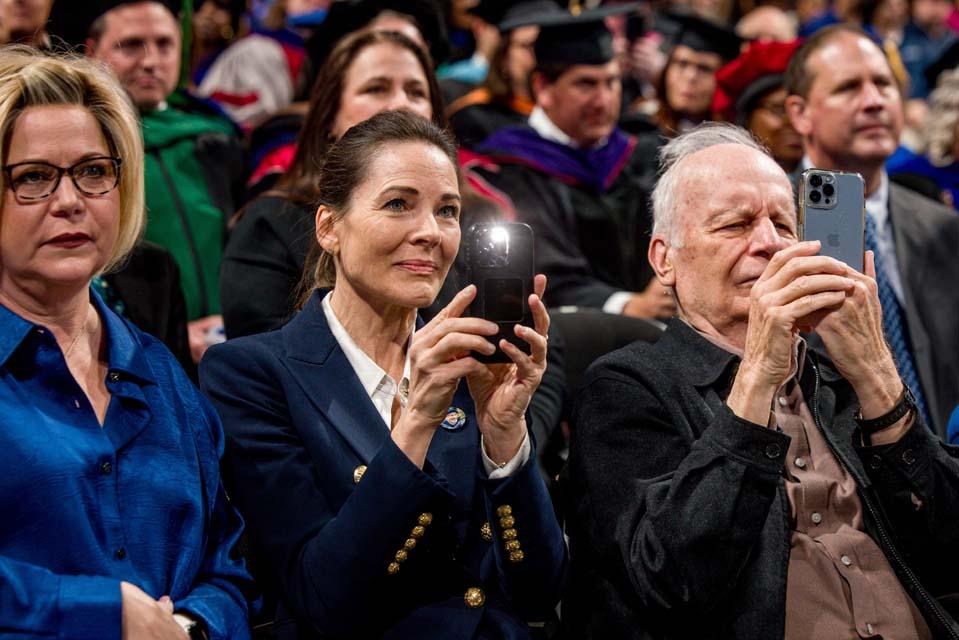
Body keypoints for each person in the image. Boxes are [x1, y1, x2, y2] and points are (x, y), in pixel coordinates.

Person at [565, 123, 959, 640]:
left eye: (784, 224)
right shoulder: (626, 386)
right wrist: (758, 375)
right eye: (735, 225)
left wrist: (876, 372)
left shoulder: (843, 380)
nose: (770, 244)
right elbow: (669, 582)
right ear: (664, 260)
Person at [201, 110, 567, 638]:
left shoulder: (473, 364)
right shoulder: (250, 374)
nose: (430, 233)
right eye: (398, 204)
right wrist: (417, 421)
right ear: (329, 228)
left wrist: (504, 435)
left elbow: (540, 592)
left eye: (447, 211)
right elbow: (323, 600)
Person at [0, 46, 254, 639]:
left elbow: (230, 567)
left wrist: (190, 625)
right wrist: (103, 613)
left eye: (94, 171)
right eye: (33, 177)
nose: (70, 201)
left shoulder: (163, 375)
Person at [784, 24, 959, 438]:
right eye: (848, 87)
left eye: (884, 84)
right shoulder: (769, 228)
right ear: (800, 113)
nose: (874, 101)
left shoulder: (944, 226)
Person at [49, 0, 246, 362]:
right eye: (132, 45)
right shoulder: (76, 147)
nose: (151, 61)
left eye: (164, 44)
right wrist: (173, 329)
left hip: (225, 344)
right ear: (91, 52)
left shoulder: (215, 137)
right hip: (129, 343)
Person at [220, 28, 442, 339]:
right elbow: (260, 359)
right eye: (376, 88)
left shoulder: (471, 222)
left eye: (416, 92)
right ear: (329, 118)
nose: (400, 104)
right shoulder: (270, 224)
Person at [477, 7, 674, 318]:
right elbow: (544, 272)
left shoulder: (641, 151)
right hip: (570, 334)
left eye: (611, 82)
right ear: (543, 88)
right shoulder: (511, 168)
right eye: (586, 84)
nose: (604, 100)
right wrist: (629, 305)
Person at [446, 0, 560, 149]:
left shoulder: (569, 118)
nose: (539, 57)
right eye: (529, 46)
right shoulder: (472, 119)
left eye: (548, 46)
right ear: (504, 56)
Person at [712, 39, 803, 173]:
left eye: (801, 110)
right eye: (779, 109)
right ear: (747, 118)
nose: (792, 121)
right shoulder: (721, 177)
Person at [652, 10, 741, 136]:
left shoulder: (733, 140)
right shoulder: (640, 127)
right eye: (682, 63)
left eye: (705, 69)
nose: (690, 76)